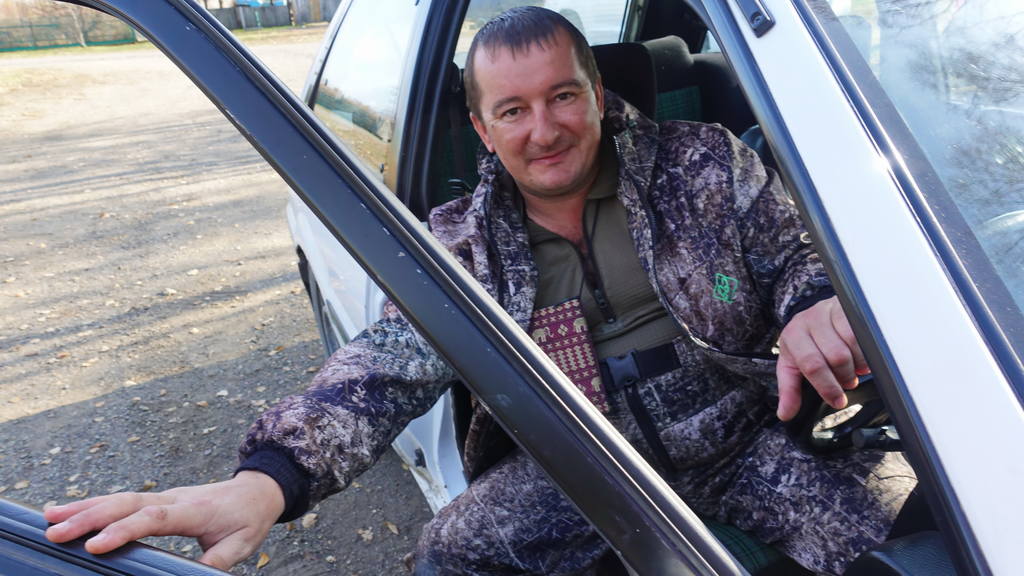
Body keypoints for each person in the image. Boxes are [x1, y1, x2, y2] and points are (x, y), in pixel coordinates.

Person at [44, 7, 919, 575]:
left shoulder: (706, 164)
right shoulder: (457, 242)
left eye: (563, 96)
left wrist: (813, 303)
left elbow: (797, 259)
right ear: (482, 127)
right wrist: (267, 483)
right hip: (586, 468)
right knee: (450, 553)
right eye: (513, 110)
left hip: (746, 438)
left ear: (597, 94)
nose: (545, 129)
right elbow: (376, 372)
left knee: (909, 535)